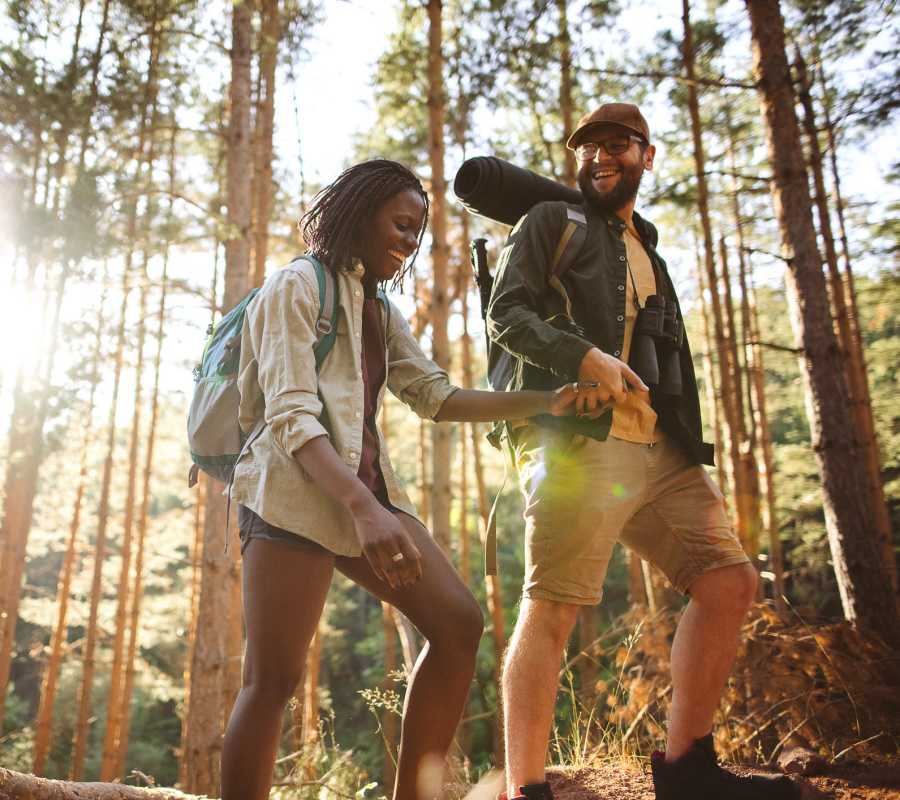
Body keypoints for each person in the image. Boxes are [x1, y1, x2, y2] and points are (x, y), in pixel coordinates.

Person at [223, 159, 580, 800]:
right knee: (272, 680)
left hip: (367, 498)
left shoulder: (375, 307)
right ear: (359, 214)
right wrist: (366, 510)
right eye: (400, 225)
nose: (409, 242)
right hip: (288, 499)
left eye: (417, 232)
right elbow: (291, 417)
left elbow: (436, 396)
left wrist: (545, 402)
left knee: (457, 624)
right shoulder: (294, 287)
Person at [486, 105, 801, 800]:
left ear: (647, 156)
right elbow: (505, 314)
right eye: (588, 147)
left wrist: (684, 430)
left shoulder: (648, 248)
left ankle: (688, 770)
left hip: (657, 442)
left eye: (617, 144)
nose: (600, 156)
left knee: (728, 580)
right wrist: (581, 356)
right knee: (554, 605)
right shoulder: (548, 223)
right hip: (577, 440)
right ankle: (526, 791)